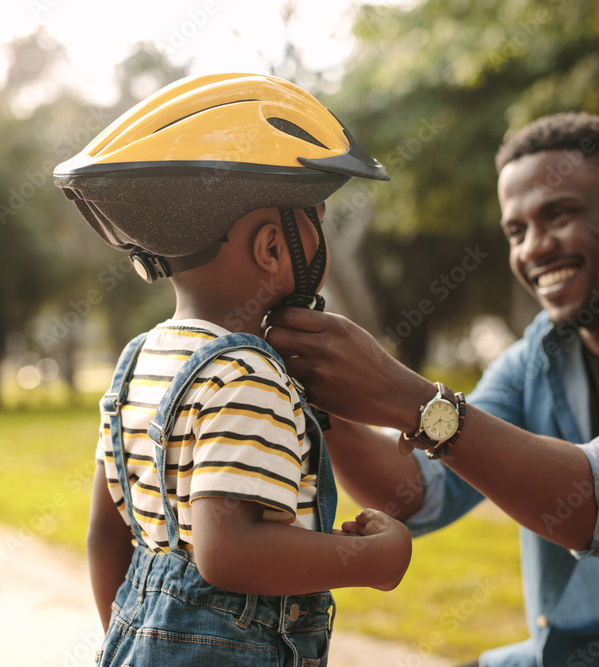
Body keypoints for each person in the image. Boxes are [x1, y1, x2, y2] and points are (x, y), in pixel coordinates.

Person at [264, 112, 599, 667]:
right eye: (516, 231)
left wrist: (410, 399)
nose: (534, 248)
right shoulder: (538, 357)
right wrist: (313, 390)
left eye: (560, 215)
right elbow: (414, 494)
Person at [54, 73, 412, 666]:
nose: (322, 231)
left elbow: (105, 534)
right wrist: (377, 561)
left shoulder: (138, 361)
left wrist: (135, 639)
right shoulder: (247, 374)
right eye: (316, 217)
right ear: (273, 249)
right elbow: (230, 553)